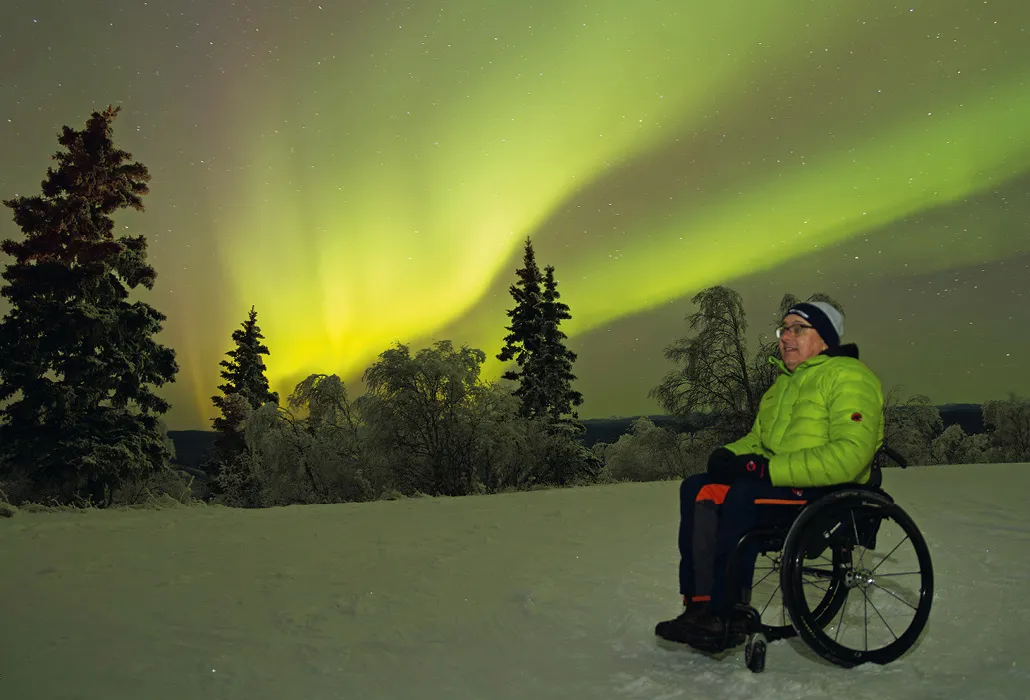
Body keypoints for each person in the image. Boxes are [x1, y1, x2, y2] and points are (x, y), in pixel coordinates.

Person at [654, 301, 885, 648]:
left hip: (825, 492)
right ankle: (700, 605)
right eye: (783, 329)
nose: (785, 337)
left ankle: (726, 614)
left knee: (740, 495)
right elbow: (759, 441)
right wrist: (730, 455)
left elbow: (851, 455)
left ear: (825, 339)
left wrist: (766, 470)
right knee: (697, 489)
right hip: (786, 483)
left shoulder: (850, 377)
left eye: (797, 329)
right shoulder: (783, 387)